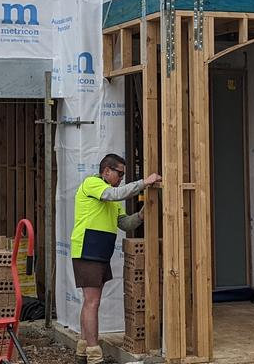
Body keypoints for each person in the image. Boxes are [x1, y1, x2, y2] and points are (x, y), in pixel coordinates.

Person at [71, 154, 160, 364]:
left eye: (123, 175)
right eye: (119, 173)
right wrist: (143, 182)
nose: (121, 178)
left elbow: (125, 224)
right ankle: (94, 355)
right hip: (87, 250)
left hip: (99, 252)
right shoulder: (93, 184)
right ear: (106, 171)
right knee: (92, 302)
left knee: (91, 303)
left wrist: (141, 214)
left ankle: (83, 352)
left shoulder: (112, 200)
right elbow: (116, 193)